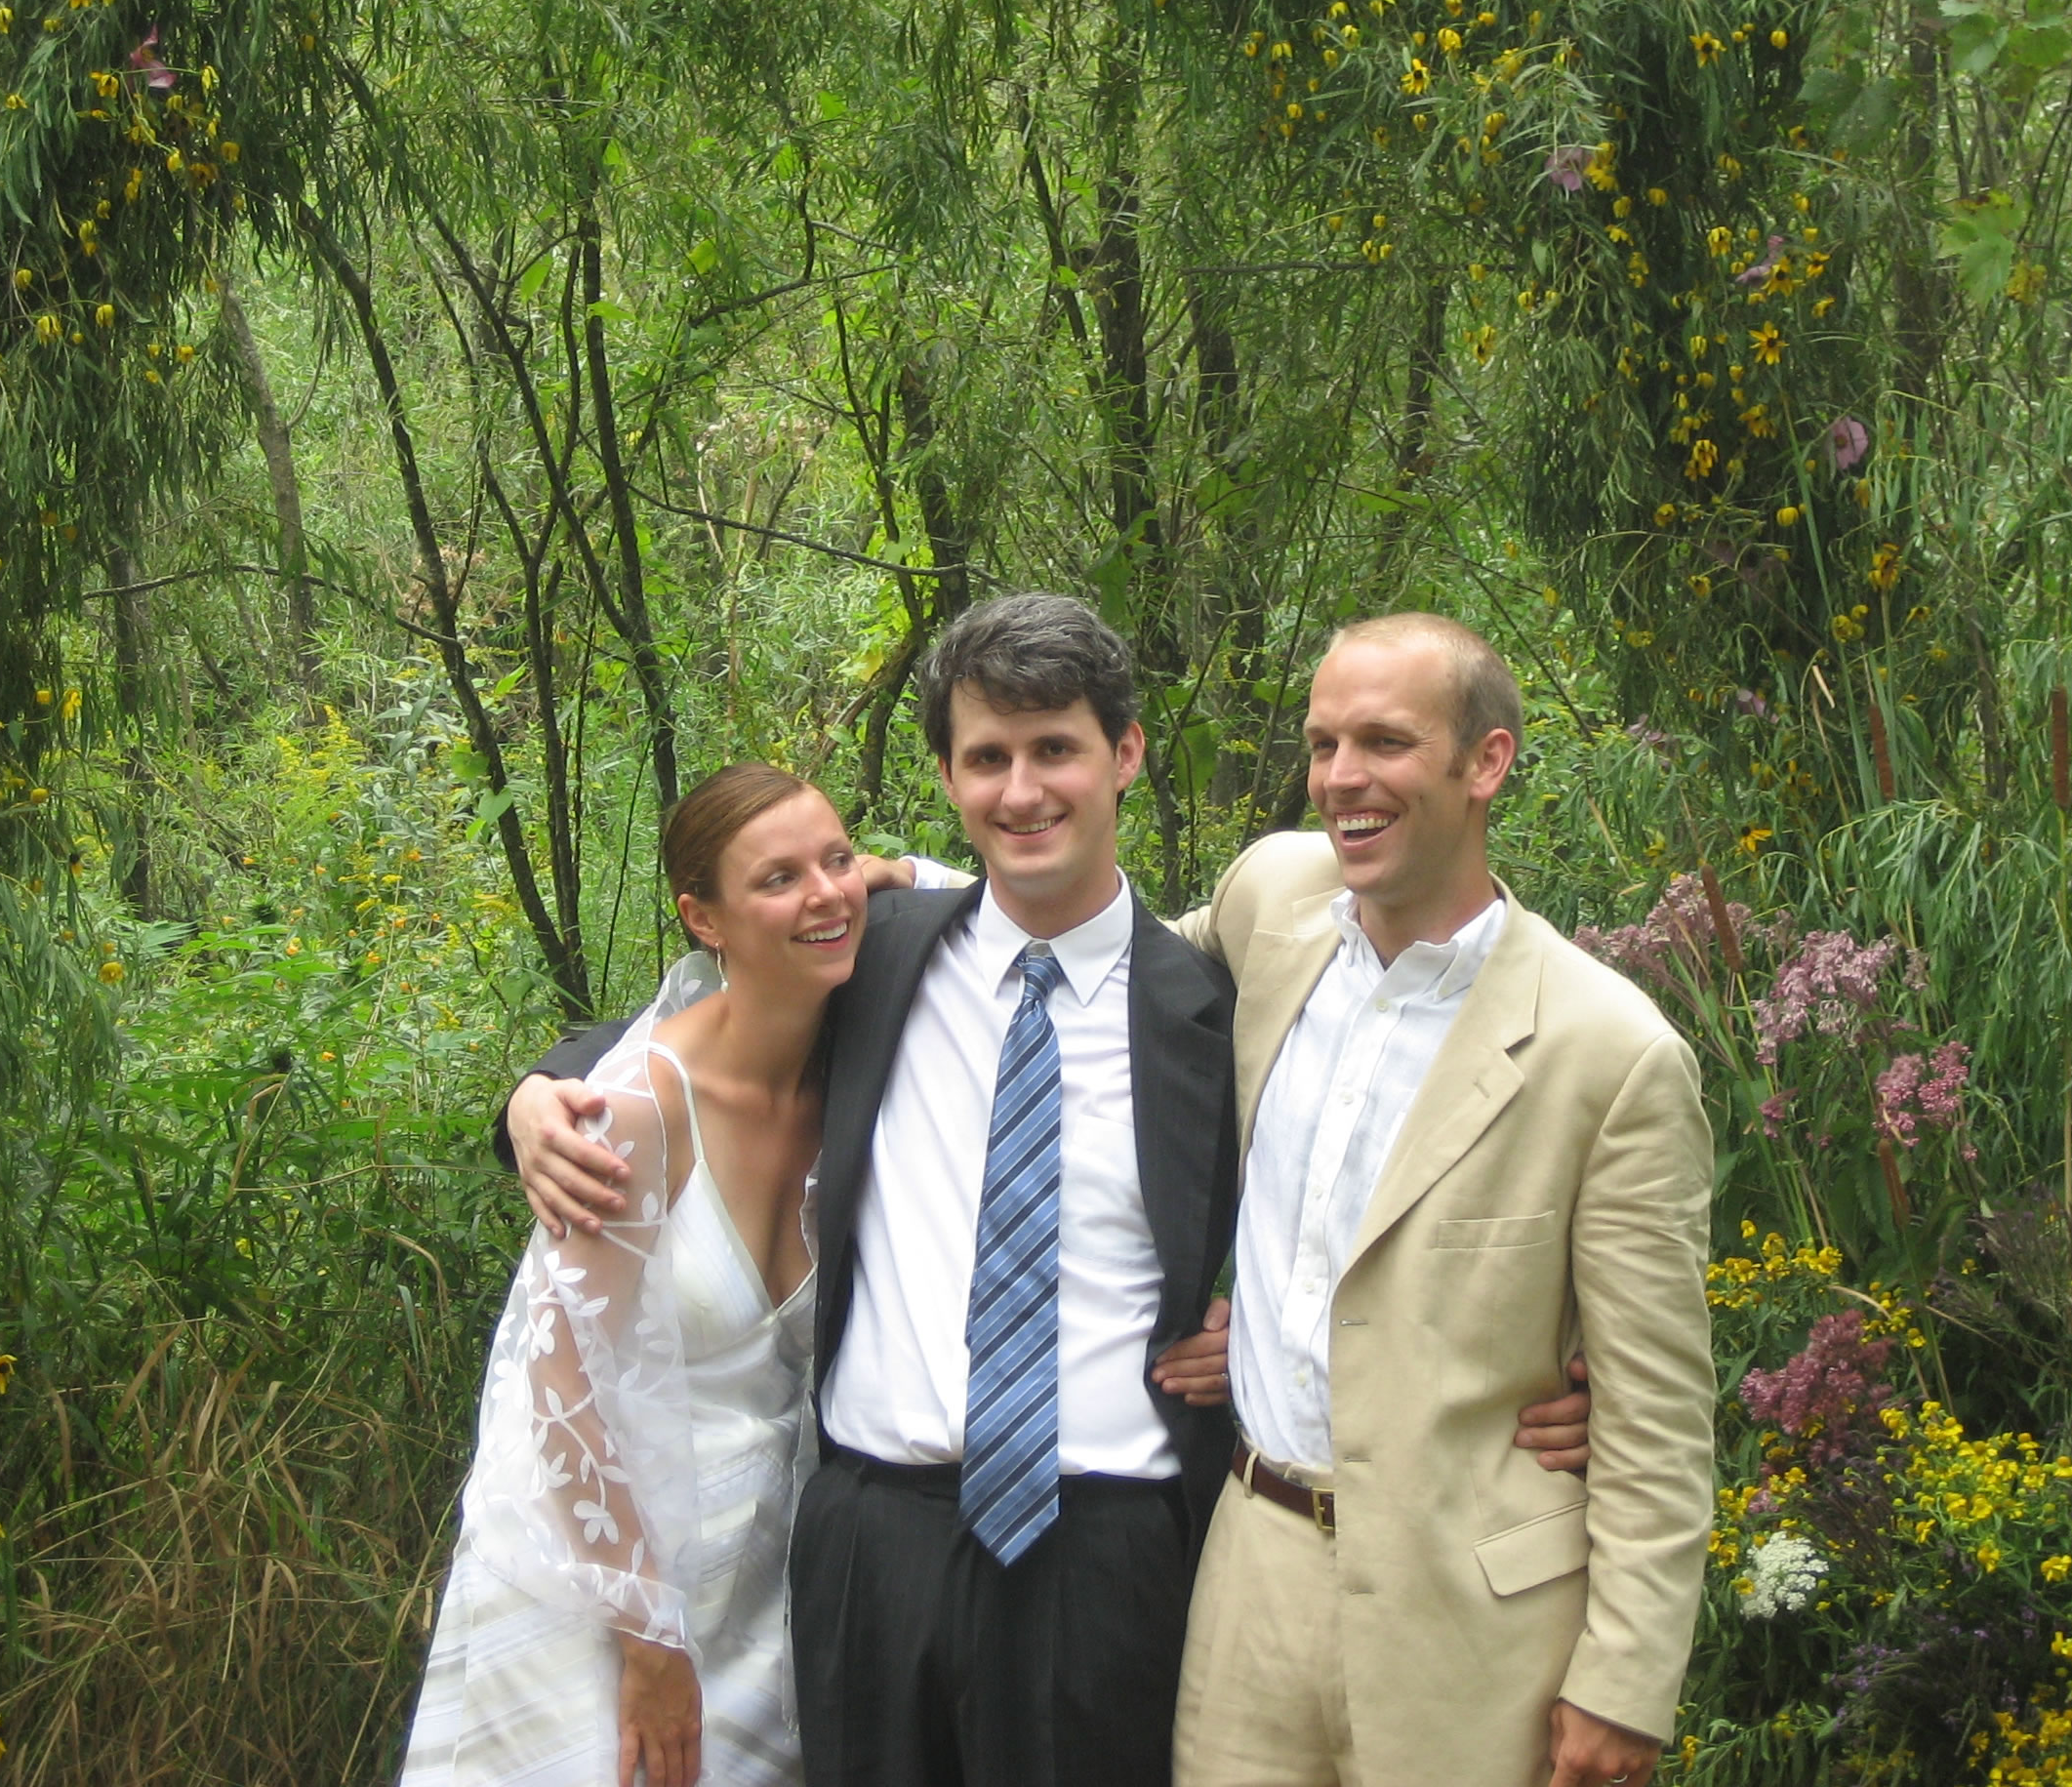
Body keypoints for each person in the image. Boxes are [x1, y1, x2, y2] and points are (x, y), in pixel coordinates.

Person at [498, 595, 1600, 1785]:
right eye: (987, 758)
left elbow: (1376, 1178)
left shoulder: (1216, 1008)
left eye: (1054, 750)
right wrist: (540, 1093)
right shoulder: (874, 957)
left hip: (1107, 1558)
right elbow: (704, 1033)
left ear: (1124, 754)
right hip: (874, 1544)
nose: (1021, 792)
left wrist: (1536, 1354)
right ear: (947, 777)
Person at [1159, 614, 1713, 1787]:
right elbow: (1105, 966)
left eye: (1384, 742)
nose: (1339, 778)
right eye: (1322, 744)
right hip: (1249, 1579)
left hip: (1475, 1624)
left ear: (1485, 762)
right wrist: (905, 899)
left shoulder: (1607, 1052)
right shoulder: (1273, 903)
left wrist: (1622, 1683)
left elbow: (1658, 1413)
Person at [402, 761, 865, 1787]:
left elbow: (986, 892)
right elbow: (561, 1384)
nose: (825, 894)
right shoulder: (633, 1111)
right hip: (602, 1579)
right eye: (778, 878)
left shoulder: (856, 1076)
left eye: (837, 861)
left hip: (760, 1584)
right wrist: (647, 1635)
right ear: (703, 919)